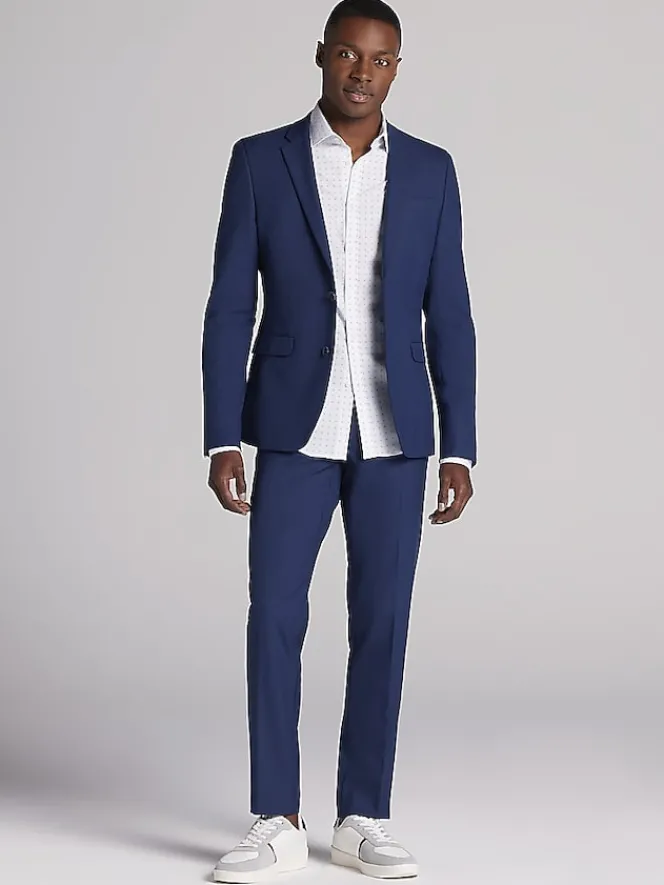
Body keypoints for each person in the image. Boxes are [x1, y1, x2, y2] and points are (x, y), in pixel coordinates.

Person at [202, 0, 477, 879]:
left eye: (381, 59)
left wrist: (460, 446)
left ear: (397, 68)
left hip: (396, 433)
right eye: (350, 54)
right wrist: (221, 433)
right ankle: (276, 816)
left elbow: (450, 314)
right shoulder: (261, 160)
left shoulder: (431, 170)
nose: (363, 72)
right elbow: (228, 306)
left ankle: (361, 814)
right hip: (294, 424)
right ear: (321, 55)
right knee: (275, 617)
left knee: (384, 621)